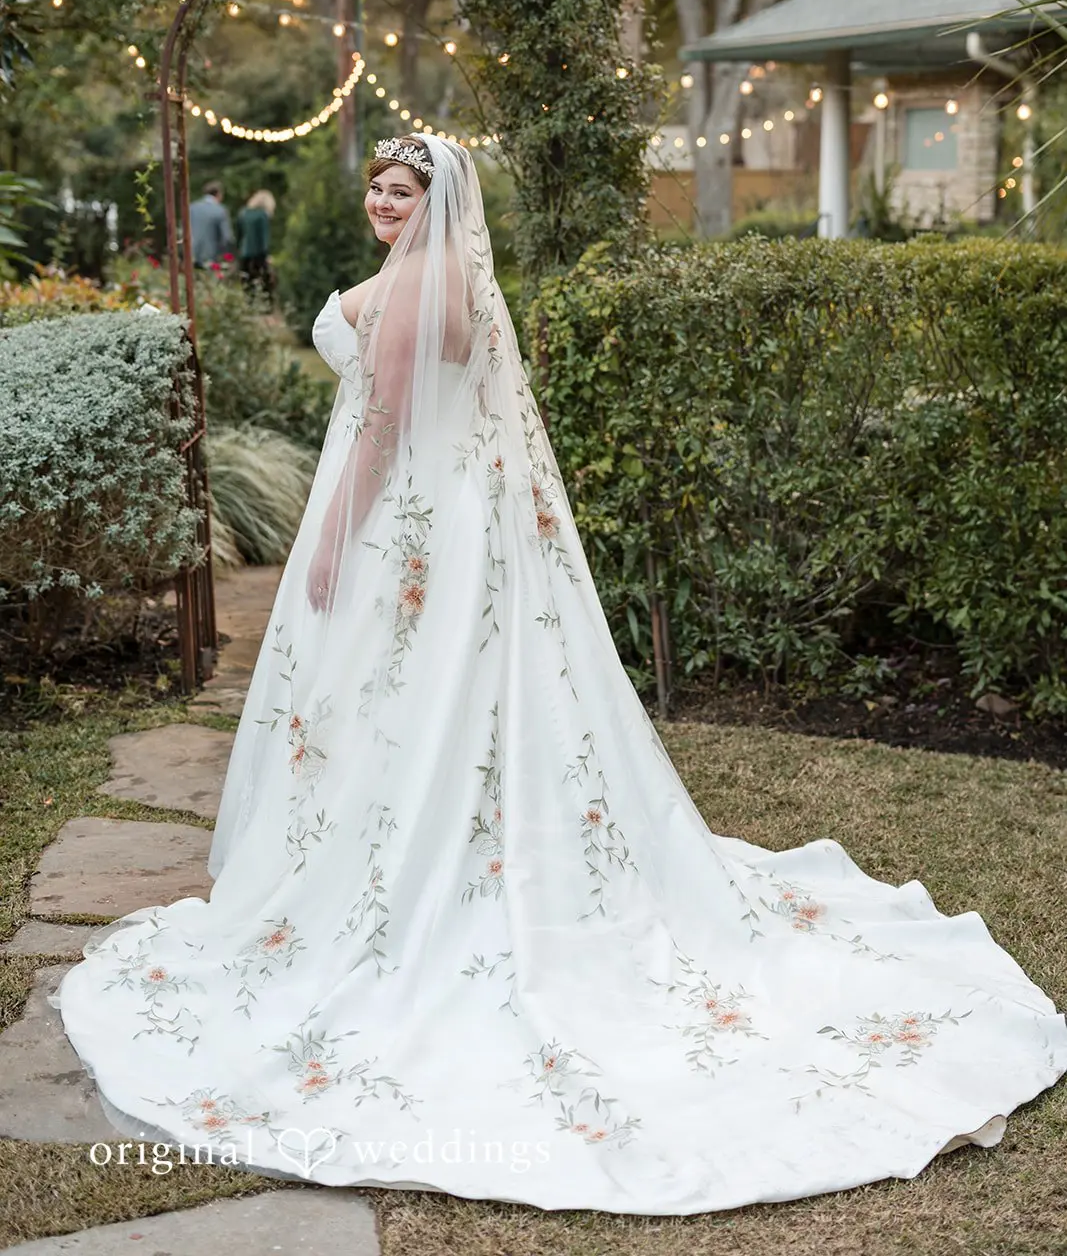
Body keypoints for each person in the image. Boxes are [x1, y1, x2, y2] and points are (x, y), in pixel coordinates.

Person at [54, 136, 1067, 1215]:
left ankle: (421, 877)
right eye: (377, 187)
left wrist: (335, 540)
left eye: (401, 191)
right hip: (464, 519)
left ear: (435, 202)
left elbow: (386, 429)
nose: (379, 202)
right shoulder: (462, 281)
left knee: (416, 697)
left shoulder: (420, 290)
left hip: (410, 523)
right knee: (444, 702)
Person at [236, 189, 276, 301]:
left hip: (244, 254)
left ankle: (249, 307)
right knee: (263, 284)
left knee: (247, 284)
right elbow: (263, 239)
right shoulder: (263, 215)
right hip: (259, 255)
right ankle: (264, 309)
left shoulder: (243, 213)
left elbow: (239, 236)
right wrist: (266, 255)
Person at [188, 180, 234, 269]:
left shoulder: (192, 207)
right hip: (211, 257)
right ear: (218, 194)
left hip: (191, 254)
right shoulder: (220, 210)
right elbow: (227, 237)